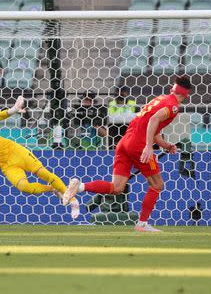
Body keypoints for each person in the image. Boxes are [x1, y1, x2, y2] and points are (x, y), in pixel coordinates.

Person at [62, 75, 194, 232]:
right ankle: (142, 224)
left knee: (117, 188)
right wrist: (148, 146)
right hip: (138, 145)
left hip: (124, 142)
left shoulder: (160, 99)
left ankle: (79, 187)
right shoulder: (173, 106)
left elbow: (153, 128)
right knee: (157, 184)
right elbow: (153, 121)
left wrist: (165, 145)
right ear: (186, 94)